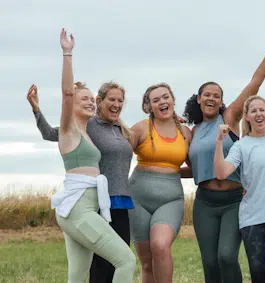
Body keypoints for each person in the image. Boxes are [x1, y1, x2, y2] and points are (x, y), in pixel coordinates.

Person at [181, 29, 265, 283]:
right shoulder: (192, 132)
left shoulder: (230, 117)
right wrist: (159, 173)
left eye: (217, 95)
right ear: (199, 99)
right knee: (210, 263)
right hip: (205, 202)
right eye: (207, 95)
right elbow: (193, 168)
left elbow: (254, 83)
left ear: (222, 101)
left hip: (233, 199)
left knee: (226, 257)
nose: (212, 98)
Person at [27, 81, 135, 283]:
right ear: (100, 102)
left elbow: (146, 140)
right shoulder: (87, 124)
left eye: (120, 100)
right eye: (111, 99)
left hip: (120, 201)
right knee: (105, 264)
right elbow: (52, 133)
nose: (116, 104)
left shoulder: (123, 130)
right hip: (95, 202)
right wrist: (36, 110)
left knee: (111, 261)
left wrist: (171, 121)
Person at [51, 28, 135, 283]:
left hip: (88, 206)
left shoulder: (88, 133)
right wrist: (67, 53)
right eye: (83, 99)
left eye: (91, 99)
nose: (89, 102)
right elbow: (67, 93)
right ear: (72, 103)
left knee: (77, 275)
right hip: (79, 209)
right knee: (126, 260)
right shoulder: (68, 129)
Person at [214, 96, 265, 283]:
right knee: (257, 269)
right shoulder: (241, 146)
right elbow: (221, 172)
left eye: (262, 110)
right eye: (254, 111)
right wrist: (219, 141)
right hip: (253, 216)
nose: (258, 114)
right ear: (247, 117)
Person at [129, 83, 192, 283]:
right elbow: (118, 155)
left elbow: (195, 169)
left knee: (160, 245)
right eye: (156, 100)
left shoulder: (185, 133)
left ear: (173, 100)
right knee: (147, 262)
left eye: (166, 97)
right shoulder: (140, 128)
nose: (162, 102)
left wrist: (168, 174)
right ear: (149, 107)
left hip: (170, 199)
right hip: (137, 199)